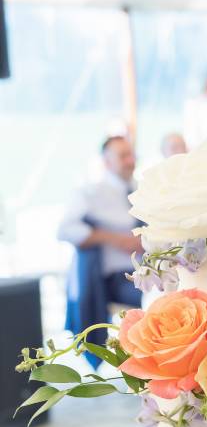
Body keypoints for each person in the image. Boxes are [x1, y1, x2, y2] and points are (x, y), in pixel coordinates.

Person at [57, 134, 144, 335]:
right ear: (107, 161)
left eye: (131, 154)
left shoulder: (144, 190)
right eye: (123, 156)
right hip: (118, 278)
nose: (130, 161)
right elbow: (64, 231)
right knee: (156, 298)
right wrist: (116, 239)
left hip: (151, 270)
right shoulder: (89, 194)